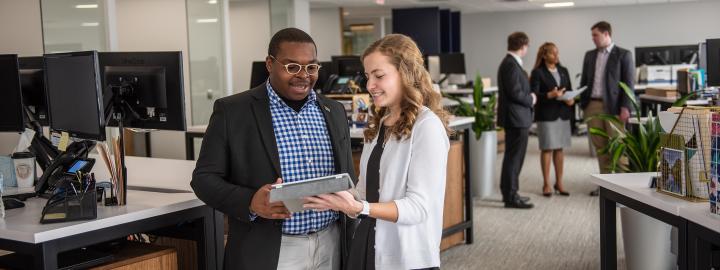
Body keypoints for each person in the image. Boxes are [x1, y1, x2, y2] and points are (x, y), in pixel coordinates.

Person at [190, 28, 356, 270]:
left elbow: (347, 178)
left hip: (331, 244)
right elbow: (203, 179)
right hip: (270, 250)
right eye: (292, 67)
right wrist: (250, 201)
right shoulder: (233, 111)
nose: (303, 75)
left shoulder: (334, 111)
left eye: (311, 67)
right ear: (270, 64)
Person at [303, 34, 451, 270]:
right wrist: (332, 195)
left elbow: (419, 208)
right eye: (368, 76)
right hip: (368, 246)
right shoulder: (381, 122)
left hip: (406, 257)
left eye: (379, 76)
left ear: (406, 74)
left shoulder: (427, 126)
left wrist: (360, 208)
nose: (370, 85)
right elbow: (366, 192)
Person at [578, 21, 635, 196]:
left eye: (595, 35)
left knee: (618, 146)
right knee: (600, 147)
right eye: (592, 35)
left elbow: (629, 83)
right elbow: (585, 81)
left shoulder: (623, 55)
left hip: (615, 108)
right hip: (593, 105)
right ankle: (606, 185)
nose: (593, 39)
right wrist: (582, 103)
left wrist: (626, 107)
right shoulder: (589, 55)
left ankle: (623, 189)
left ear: (606, 34)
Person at [497, 32, 536, 209]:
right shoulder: (510, 65)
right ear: (523, 46)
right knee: (513, 158)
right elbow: (515, 93)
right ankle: (510, 196)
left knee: (514, 158)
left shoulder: (510, 63)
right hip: (516, 118)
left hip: (518, 118)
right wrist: (532, 99)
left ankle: (512, 193)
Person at [530, 42, 573, 197]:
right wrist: (549, 95)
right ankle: (546, 184)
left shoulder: (563, 70)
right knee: (547, 148)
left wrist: (571, 99)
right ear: (544, 55)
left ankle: (559, 183)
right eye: (553, 53)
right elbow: (533, 94)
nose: (556, 56)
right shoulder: (537, 72)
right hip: (546, 115)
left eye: (557, 53)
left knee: (559, 149)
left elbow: (569, 89)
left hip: (562, 113)